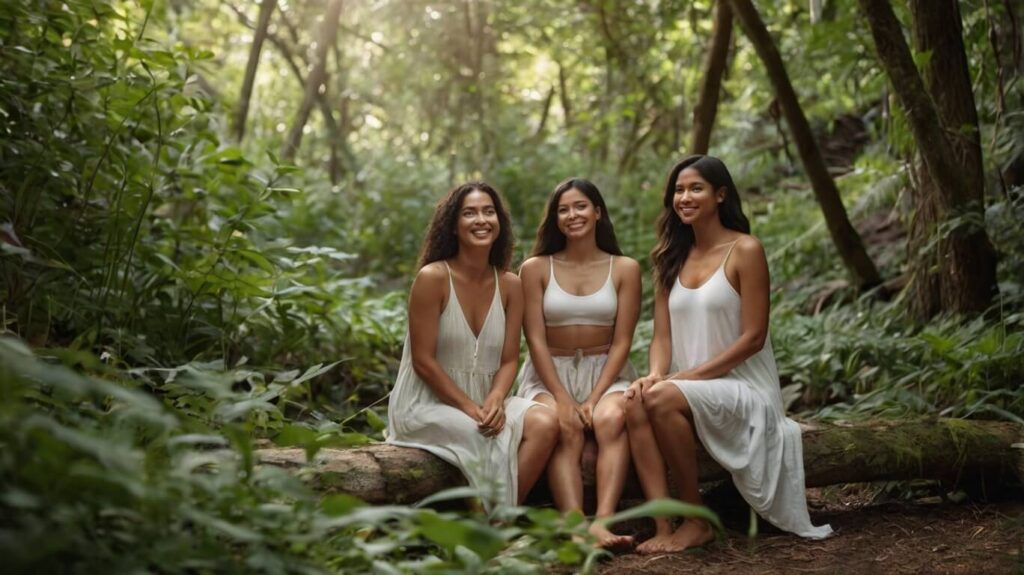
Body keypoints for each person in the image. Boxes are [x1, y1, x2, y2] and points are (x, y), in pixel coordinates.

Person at [624, 155, 833, 554]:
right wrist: (655, 373)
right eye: (678, 190)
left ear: (720, 195)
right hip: (692, 390)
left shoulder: (745, 250)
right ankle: (663, 523)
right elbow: (662, 338)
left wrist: (684, 379)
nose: (684, 197)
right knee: (635, 401)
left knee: (662, 396)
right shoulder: (669, 258)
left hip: (745, 389)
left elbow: (753, 338)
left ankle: (696, 520)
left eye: (695, 188)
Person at [386, 182, 560, 509]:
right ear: (453, 225)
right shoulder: (432, 278)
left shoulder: (510, 284)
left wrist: (495, 398)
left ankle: (497, 522)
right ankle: (490, 528)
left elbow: (510, 360)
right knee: (482, 435)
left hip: (485, 400)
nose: (481, 220)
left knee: (546, 422)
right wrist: (469, 407)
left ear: (499, 222)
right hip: (425, 403)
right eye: (469, 213)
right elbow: (423, 362)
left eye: (488, 211)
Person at [515, 178, 641, 548]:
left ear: (598, 212)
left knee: (612, 417)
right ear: (555, 219)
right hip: (549, 371)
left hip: (607, 370)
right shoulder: (535, 268)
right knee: (561, 424)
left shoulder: (625, 268)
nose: (573, 215)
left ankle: (603, 522)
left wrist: (595, 396)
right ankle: (574, 524)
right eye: (563, 209)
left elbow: (622, 341)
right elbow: (534, 339)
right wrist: (563, 396)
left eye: (581, 206)